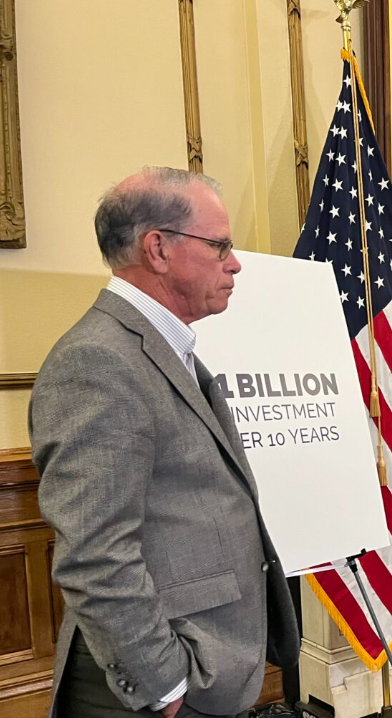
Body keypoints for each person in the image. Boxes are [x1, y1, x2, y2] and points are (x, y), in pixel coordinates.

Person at [30, 167, 299, 718]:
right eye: (219, 245)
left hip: (201, 665)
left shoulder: (159, 348)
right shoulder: (97, 361)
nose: (235, 262)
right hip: (153, 687)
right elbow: (94, 556)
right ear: (158, 249)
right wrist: (164, 685)